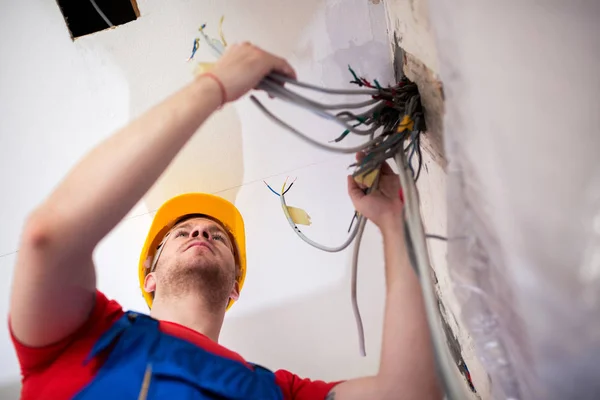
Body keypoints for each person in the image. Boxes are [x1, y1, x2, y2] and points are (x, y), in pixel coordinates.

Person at [9, 43, 441, 399]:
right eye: (182, 232)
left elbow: (410, 392)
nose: (200, 232)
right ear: (150, 277)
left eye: (217, 235)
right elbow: (48, 237)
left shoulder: (277, 391)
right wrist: (213, 86)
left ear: (235, 285)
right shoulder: (77, 338)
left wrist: (393, 221)